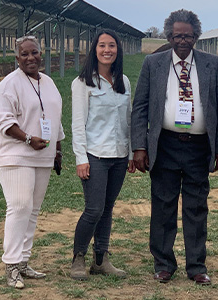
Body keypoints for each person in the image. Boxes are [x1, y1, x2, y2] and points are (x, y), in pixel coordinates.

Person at [131, 9, 218, 285]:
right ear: (169, 37)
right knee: (163, 206)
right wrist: (139, 146)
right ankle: (163, 263)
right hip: (165, 145)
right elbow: (140, 107)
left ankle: (197, 266)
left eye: (188, 36)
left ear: (196, 36)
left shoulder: (213, 64)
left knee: (196, 207)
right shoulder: (154, 63)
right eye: (177, 36)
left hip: (200, 147)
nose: (182, 41)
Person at [0, 36, 65, 289]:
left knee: (32, 209)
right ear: (17, 58)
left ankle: (23, 261)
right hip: (14, 155)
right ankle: (11, 265)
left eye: (34, 53)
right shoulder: (7, 86)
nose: (30, 58)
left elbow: (55, 118)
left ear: (41, 54)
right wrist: (28, 139)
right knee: (20, 206)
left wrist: (58, 149)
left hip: (42, 155)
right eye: (24, 54)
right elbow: (3, 122)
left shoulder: (49, 82)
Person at [70, 29, 135, 281]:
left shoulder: (123, 81)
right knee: (94, 209)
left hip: (118, 156)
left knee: (107, 209)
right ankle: (78, 258)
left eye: (112, 46)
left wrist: (129, 153)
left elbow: (127, 121)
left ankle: (101, 259)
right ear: (94, 49)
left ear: (118, 50)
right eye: (102, 46)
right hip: (94, 155)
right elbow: (78, 123)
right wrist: (81, 158)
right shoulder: (82, 83)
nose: (107, 50)